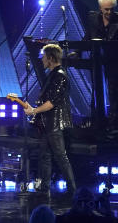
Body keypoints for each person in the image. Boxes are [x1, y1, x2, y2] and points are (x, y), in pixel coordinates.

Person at [22, 43, 77, 198]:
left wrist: (34, 110)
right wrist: (32, 108)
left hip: (54, 123)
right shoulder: (53, 75)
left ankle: (73, 190)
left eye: (44, 57)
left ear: (51, 58)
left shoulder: (60, 75)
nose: (42, 60)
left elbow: (52, 102)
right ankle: (44, 187)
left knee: (60, 156)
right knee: (44, 155)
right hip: (47, 123)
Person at [82, 0, 118, 128]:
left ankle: (115, 125)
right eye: (106, 9)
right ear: (100, 8)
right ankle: (96, 122)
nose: (109, 12)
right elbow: (87, 37)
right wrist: (77, 52)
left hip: (114, 61)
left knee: (113, 92)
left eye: (111, 9)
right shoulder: (93, 19)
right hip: (97, 60)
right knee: (96, 91)